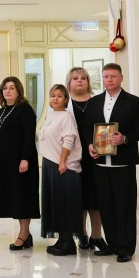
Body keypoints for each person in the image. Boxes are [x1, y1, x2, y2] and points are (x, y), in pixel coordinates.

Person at [82, 63, 139, 262]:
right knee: (106, 206)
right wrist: (90, 145)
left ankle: (126, 247)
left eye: (113, 76)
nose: (109, 80)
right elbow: (86, 128)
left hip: (123, 164)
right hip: (100, 165)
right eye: (106, 76)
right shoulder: (94, 102)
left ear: (121, 78)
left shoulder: (134, 102)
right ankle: (113, 244)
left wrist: (124, 139)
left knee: (124, 206)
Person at [0, 76, 39, 251]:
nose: (8, 91)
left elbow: (29, 136)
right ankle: (25, 234)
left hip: (22, 162)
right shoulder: (3, 110)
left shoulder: (25, 109)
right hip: (6, 163)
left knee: (23, 198)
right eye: (5, 88)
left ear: (19, 90)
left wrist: (25, 158)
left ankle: (24, 235)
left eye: (12, 88)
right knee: (14, 198)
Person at [39, 85, 83, 256]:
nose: (55, 99)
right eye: (52, 96)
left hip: (63, 166)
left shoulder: (66, 116)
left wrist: (62, 161)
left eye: (59, 96)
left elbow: (69, 138)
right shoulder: (51, 116)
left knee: (65, 204)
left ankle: (69, 243)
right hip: (50, 164)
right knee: (55, 203)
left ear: (66, 99)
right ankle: (62, 239)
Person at [68, 66, 105, 251]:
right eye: (75, 78)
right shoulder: (65, 103)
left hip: (95, 156)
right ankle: (81, 234)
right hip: (73, 157)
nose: (80, 80)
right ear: (69, 82)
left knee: (96, 196)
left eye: (83, 77)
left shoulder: (97, 101)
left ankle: (97, 235)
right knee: (79, 197)